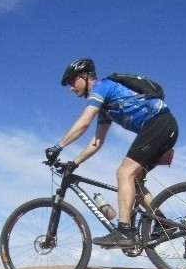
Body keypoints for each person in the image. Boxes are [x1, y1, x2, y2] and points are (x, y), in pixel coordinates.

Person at [45, 58, 178, 248]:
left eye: (72, 81)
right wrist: (75, 162)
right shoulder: (106, 109)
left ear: (85, 76)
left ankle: (124, 231)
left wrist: (58, 147)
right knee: (135, 183)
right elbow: (96, 142)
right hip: (161, 126)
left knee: (124, 173)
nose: (71, 88)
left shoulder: (102, 86)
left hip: (159, 122)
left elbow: (84, 122)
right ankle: (164, 224)